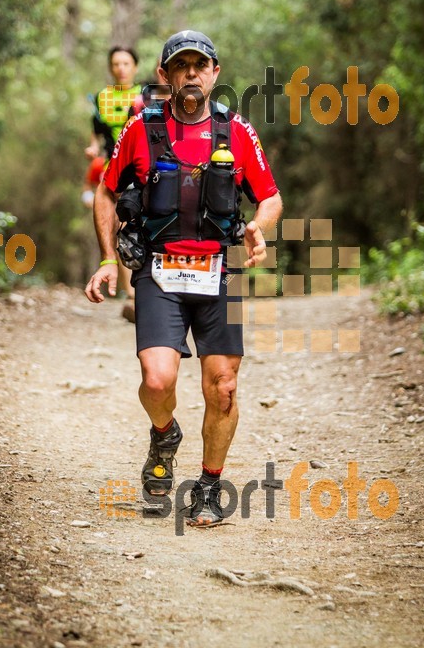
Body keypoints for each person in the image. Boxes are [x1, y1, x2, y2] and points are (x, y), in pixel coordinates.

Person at [85, 30, 283, 527]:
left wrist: (258, 228)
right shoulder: (140, 128)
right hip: (159, 271)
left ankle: (210, 486)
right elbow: (108, 193)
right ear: (165, 75)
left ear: (215, 74)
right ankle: (164, 432)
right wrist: (109, 259)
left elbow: (271, 196)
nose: (191, 73)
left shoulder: (237, 131)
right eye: (182, 66)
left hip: (220, 273)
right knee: (157, 381)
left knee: (223, 389)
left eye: (201, 65)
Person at [85, 47, 141, 319]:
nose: (121, 68)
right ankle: (132, 293)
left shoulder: (146, 95)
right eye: (116, 63)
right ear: (110, 67)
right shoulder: (102, 97)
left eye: (126, 63)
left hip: (142, 167)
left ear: (135, 67)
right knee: (119, 226)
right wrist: (92, 149)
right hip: (113, 168)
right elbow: (96, 134)